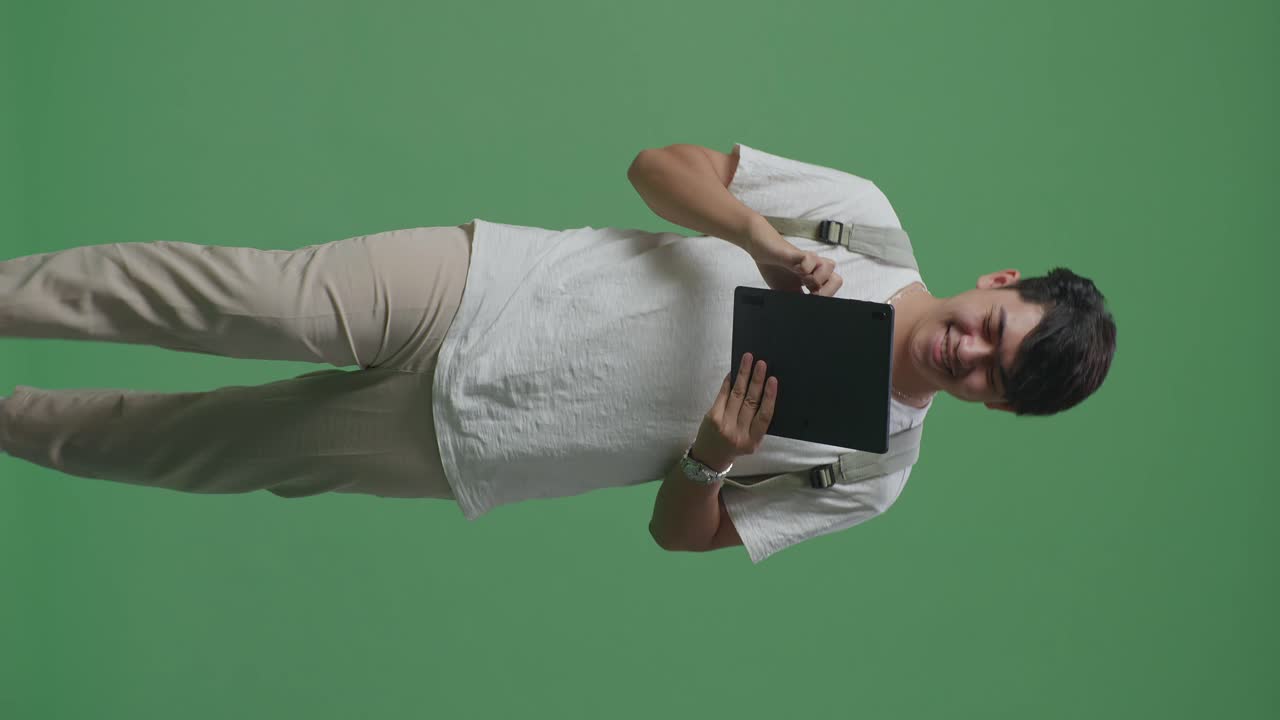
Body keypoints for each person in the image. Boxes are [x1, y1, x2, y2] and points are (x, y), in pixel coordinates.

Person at [0, 142, 1117, 564]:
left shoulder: (872, 472)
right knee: (225, 296)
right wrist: (757, 240)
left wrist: (712, 456)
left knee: (195, 450)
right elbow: (657, 165)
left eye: (987, 377)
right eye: (991, 328)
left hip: (467, 446)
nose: (967, 351)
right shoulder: (859, 221)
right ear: (1001, 282)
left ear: (993, 410)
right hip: (479, 282)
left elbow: (681, 537)